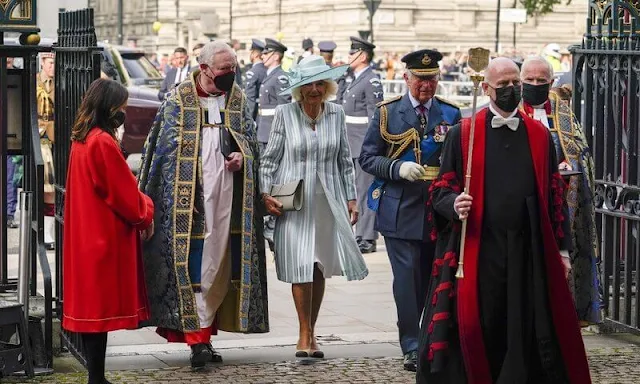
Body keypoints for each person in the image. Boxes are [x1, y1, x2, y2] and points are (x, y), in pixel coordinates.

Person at [417, 57, 591, 383]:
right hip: (480, 248)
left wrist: (563, 251)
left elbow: (555, 198)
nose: (512, 90)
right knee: (481, 322)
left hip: (527, 251)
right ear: (485, 89)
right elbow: (439, 191)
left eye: (516, 83)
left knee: (523, 325)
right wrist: (455, 203)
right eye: (503, 85)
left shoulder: (540, 136)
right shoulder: (462, 134)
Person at [138, 41, 269, 370]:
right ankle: (196, 341)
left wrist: (243, 157)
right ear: (205, 68)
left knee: (220, 265)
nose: (231, 74)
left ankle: (206, 335)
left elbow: (250, 143)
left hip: (228, 200)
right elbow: (162, 153)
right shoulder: (178, 100)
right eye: (225, 69)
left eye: (235, 68)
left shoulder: (237, 97)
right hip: (189, 205)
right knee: (194, 267)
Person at [359, 49, 462, 371]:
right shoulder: (388, 113)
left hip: (439, 209)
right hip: (400, 207)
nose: (426, 86)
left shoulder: (450, 114)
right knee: (407, 281)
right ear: (407, 78)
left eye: (431, 80)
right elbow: (368, 157)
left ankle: (435, 339)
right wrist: (396, 168)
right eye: (420, 79)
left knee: (436, 278)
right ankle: (413, 345)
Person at [260, 55, 368, 358]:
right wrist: (265, 195)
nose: (315, 89)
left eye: (321, 83)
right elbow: (270, 159)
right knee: (300, 264)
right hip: (293, 201)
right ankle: (303, 332)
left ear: (329, 86)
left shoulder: (335, 113)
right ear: (299, 88)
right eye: (308, 84)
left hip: (327, 201)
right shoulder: (284, 114)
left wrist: (351, 197)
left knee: (319, 264)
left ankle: (312, 330)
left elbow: (345, 161)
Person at [62, 79, 154, 384]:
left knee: (93, 315)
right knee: (98, 312)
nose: (124, 112)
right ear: (109, 107)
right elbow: (123, 193)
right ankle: (97, 378)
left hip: (86, 234)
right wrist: (146, 211)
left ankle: (96, 377)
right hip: (103, 235)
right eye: (122, 107)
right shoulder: (101, 141)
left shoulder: (83, 138)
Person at [521, 56, 602, 326]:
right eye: (529, 80)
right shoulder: (513, 110)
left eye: (540, 81)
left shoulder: (563, 111)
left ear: (551, 82)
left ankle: (562, 322)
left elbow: (582, 152)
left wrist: (571, 163)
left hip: (563, 203)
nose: (534, 85)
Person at [341, 36, 384, 253]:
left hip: (363, 144)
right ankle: (358, 233)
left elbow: (374, 117)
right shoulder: (353, 78)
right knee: (354, 191)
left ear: (363, 56)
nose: (348, 57)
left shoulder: (371, 80)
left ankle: (367, 237)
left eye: (352, 53)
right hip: (350, 142)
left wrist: (371, 146)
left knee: (366, 191)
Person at [258, 37, 292, 249]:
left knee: (274, 177)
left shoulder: (280, 78)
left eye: (265, 54)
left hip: (273, 131)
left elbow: (284, 108)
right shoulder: (269, 75)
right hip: (264, 128)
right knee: (266, 177)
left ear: (276, 56)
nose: (262, 57)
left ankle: (273, 221)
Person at [37, 52, 56, 250]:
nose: (53, 67)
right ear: (43, 62)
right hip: (40, 141)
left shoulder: (59, 84)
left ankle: (49, 233)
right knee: (42, 188)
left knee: (51, 190)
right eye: (50, 63)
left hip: (55, 141)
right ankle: (41, 231)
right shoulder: (35, 82)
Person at [244, 38, 267, 121]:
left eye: (251, 52)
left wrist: (248, 119)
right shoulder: (268, 70)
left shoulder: (252, 72)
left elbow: (250, 98)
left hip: (255, 114)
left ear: (255, 55)